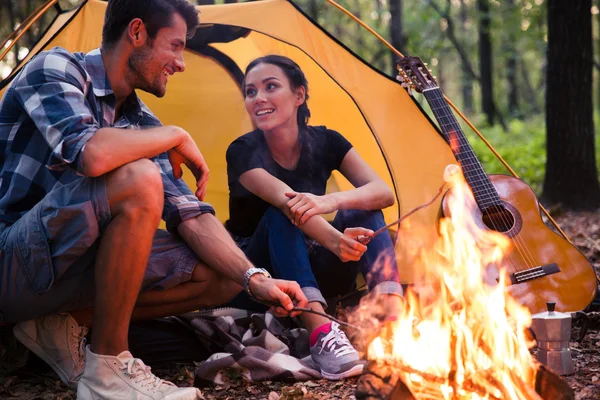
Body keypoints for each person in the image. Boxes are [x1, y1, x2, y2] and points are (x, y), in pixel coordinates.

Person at [0, 1, 307, 399]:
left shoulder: (139, 120)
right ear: (138, 32)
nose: (181, 63)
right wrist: (176, 134)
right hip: (12, 263)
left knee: (219, 274)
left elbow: (191, 215)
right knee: (139, 175)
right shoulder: (55, 69)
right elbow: (90, 152)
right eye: (176, 46)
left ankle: (62, 323)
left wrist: (255, 279)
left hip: (66, 275)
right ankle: (107, 371)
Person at [225, 55, 404, 381]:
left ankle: (392, 321)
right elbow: (288, 203)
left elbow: (383, 191)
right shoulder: (242, 151)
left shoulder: (327, 141)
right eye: (251, 92)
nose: (258, 98)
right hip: (259, 276)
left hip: (313, 266)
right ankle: (322, 334)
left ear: (299, 95)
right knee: (281, 215)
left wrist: (330, 201)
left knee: (363, 208)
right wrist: (337, 242)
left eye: (270, 86)